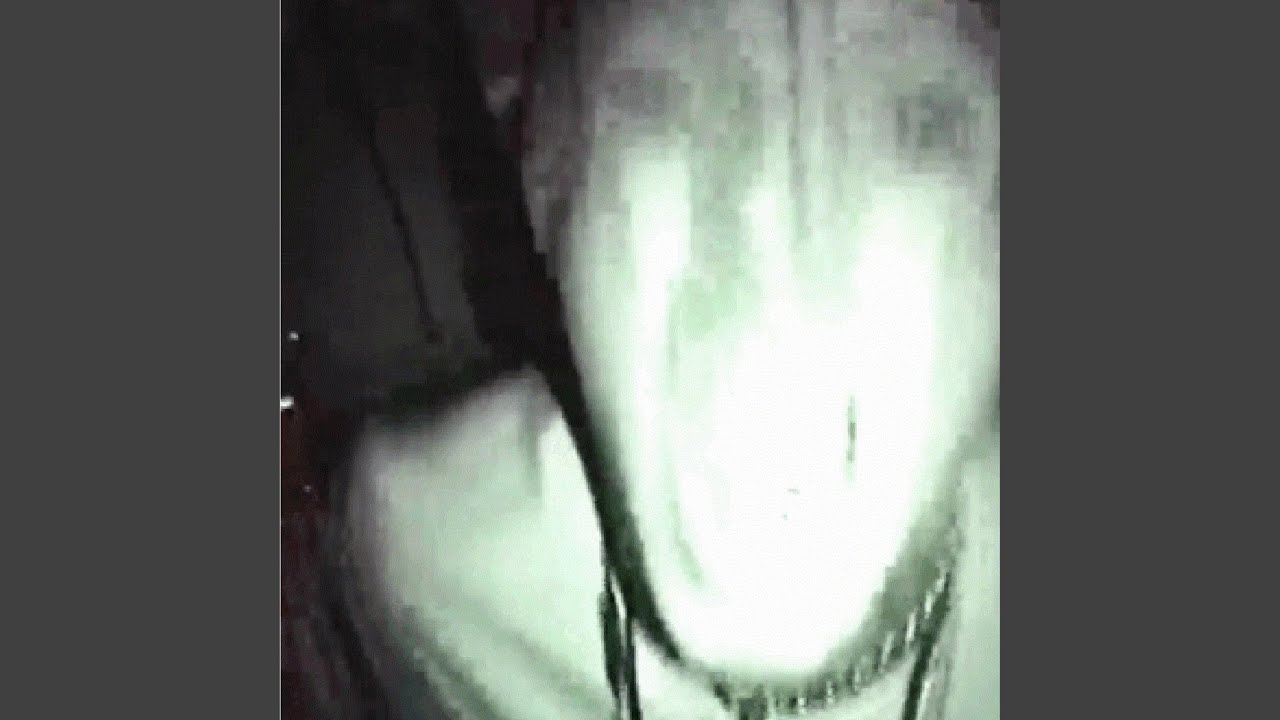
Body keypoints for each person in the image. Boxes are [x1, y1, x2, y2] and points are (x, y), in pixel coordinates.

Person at [339, 1, 1000, 718]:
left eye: (919, 127)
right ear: (545, 178)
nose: (784, 287)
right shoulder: (420, 562)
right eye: (661, 103)